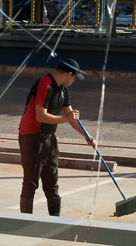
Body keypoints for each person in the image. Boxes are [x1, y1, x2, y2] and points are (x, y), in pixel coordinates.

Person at [18, 58, 96, 216]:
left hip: (49, 136)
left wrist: (87, 136)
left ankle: (55, 219)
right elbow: (41, 116)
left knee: (52, 182)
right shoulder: (44, 85)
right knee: (31, 182)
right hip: (31, 137)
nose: (74, 81)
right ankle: (25, 219)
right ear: (68, 74)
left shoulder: (62, 90)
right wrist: (66, 119)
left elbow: (71, 116)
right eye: (74, 78)